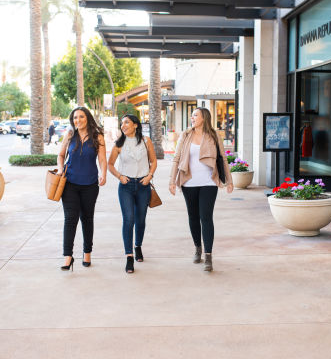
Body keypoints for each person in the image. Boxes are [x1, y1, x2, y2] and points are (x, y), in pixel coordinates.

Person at [169, 107, 233, 272]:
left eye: (195, 115)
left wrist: (229, 180)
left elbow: (223, 158)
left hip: (209, 182)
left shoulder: (213, 136)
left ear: (204, 117)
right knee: (193, 216)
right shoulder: (186, 135)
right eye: (191, 115)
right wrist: (172, 180)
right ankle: (197, 248)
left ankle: (208, 256)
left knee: (206, 217)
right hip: (188, 181)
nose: (192, 118)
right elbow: (176, 158)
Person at [57, 107, 107, 271]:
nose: (78, 120)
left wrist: (103, 174)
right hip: (70, 183)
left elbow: (102, 159)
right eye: (75, 117)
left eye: (81, 117)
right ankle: (68, 257)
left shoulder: (97, 136)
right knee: (70, 219)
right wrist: (59, 169)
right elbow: (61, 155)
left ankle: (87, 253)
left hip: (90, 184)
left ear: (87, 118)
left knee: (87, 219)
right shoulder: (70, 134)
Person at [108, 114, 157, 273]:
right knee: (128, 220)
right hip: (126, 186)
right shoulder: (119, 144)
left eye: (126, 122)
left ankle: (138, 246)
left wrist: (149, 176)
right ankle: (129, 256)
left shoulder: (146, 141)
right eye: (122, 123)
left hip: (143, 185)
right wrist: (119, 176)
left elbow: (153, 161)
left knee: (140, 220)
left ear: (136, 125)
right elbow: (110, 164)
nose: (123, 125)